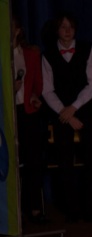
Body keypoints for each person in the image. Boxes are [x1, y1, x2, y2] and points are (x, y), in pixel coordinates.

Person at [41, 13, 92, 224]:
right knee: (65, 162)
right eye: (63, 27)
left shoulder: (87, 48)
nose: (67, 30)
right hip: (61, 115)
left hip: (85, 112)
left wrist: (74, 107)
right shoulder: (48, 55)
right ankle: (72, 210)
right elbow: (47, 90)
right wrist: (66, 114)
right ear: (57, 30)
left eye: (70, 26)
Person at [12, 15, 46, 223]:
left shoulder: (31, 54)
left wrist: (34, 95)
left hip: (27, 113)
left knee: (33, 160)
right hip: (6, 114)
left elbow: (38, 84)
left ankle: (33, 208)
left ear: (18, 31)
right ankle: (11, 211)